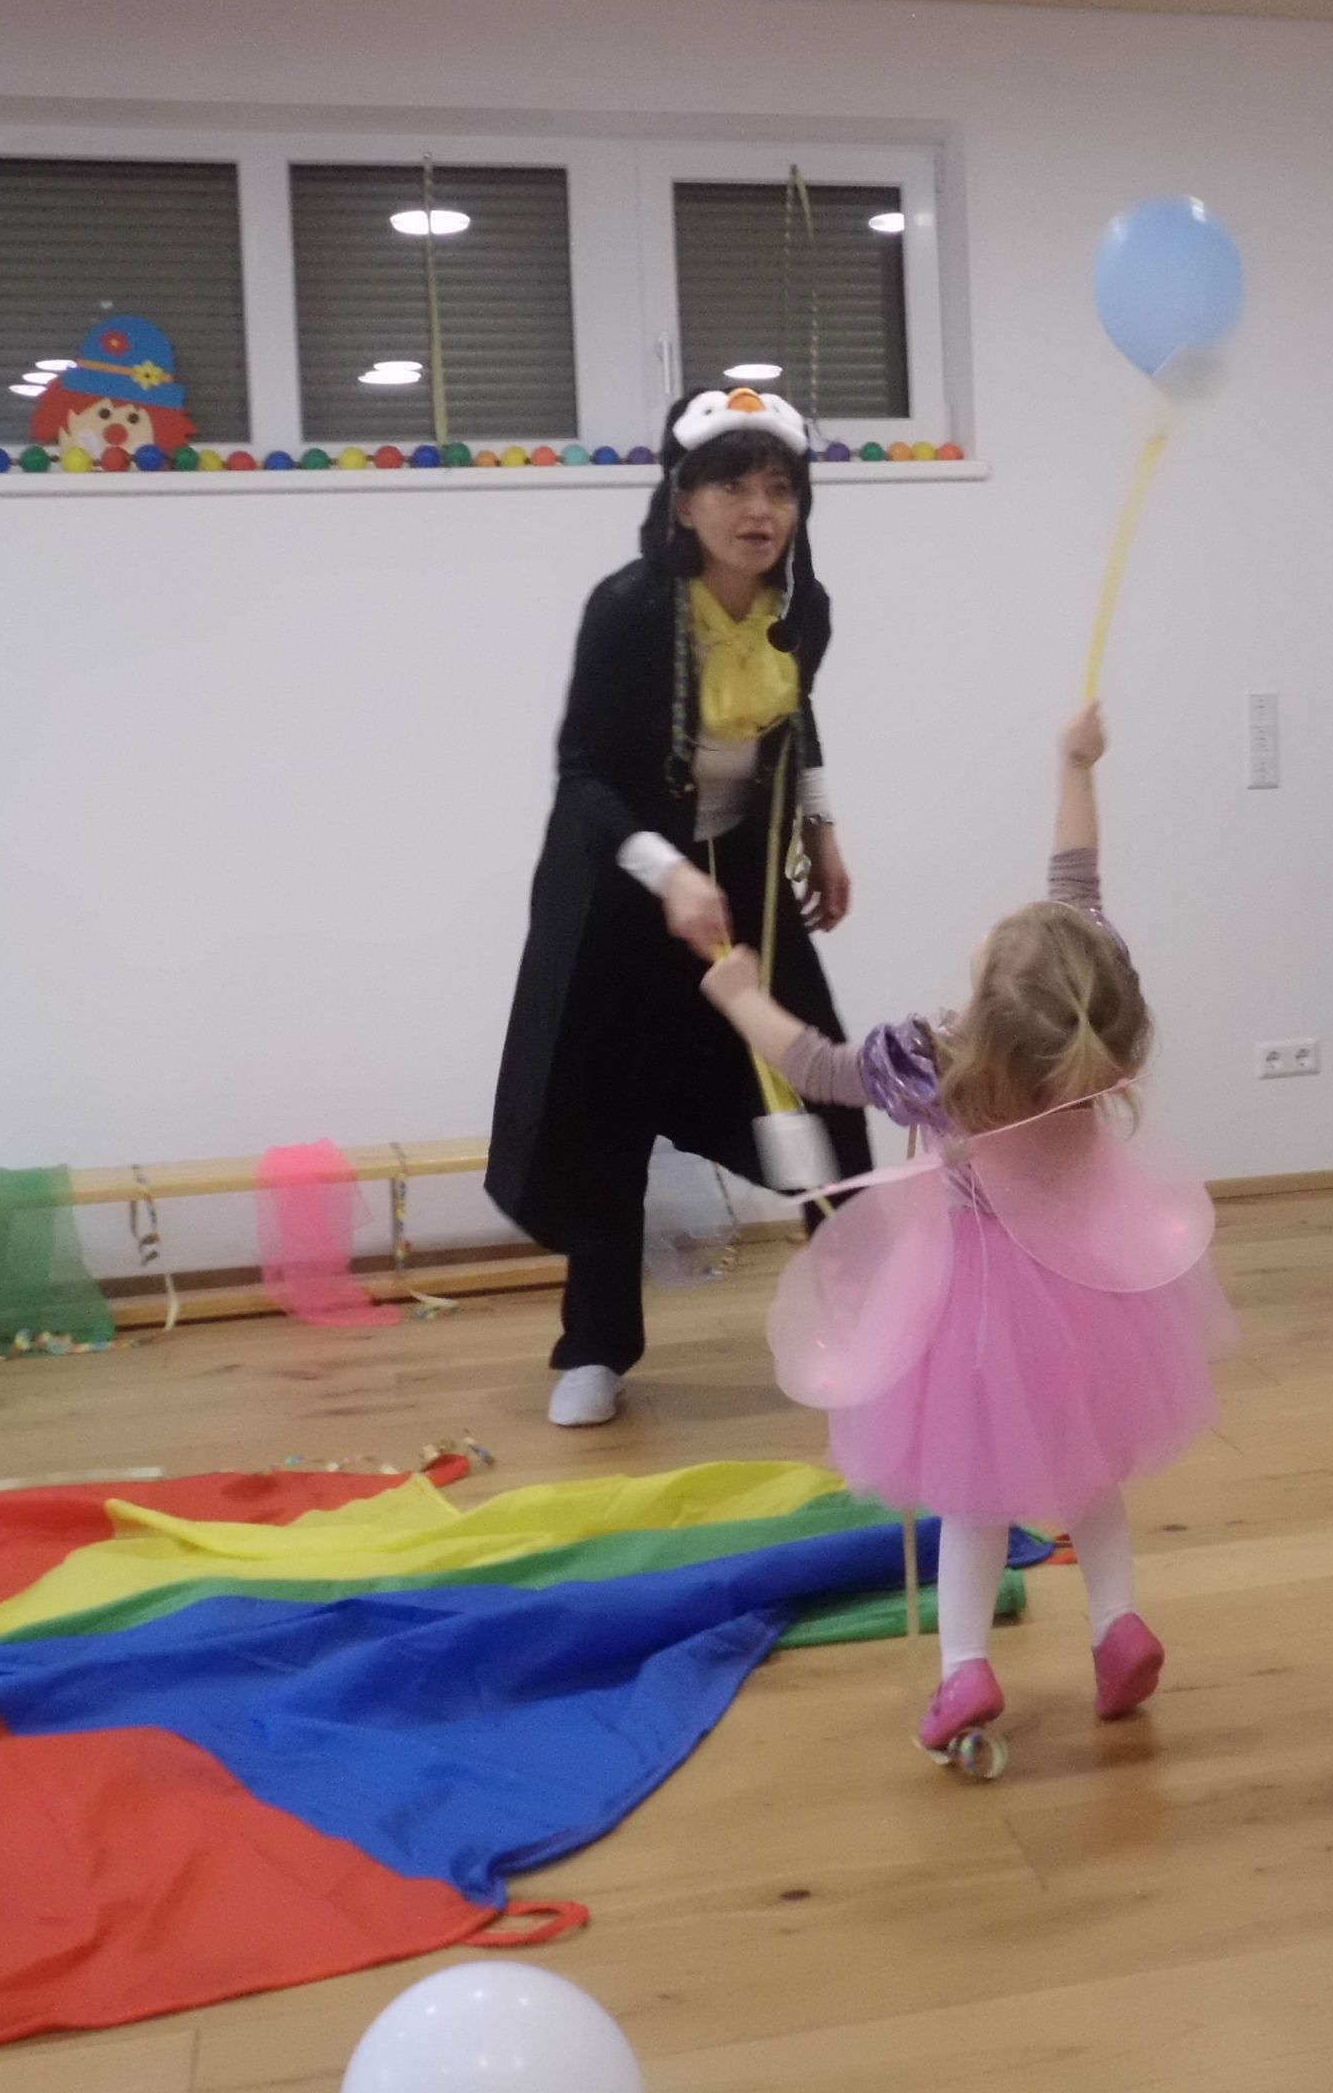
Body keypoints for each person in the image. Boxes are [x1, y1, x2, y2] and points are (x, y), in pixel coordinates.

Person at [700, 704, 1232, 1751]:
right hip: (1089, 1296)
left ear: (986, 993)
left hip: (974, 1309)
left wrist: (737, 996)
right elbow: (1077, 887)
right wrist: (1074, 765)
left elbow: (814, 1066)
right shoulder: (1095, 1030)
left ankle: (964, 1674)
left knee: (974, 1494)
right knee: (1089, 1469)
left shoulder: (933, 1060)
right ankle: (1117, 1627)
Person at [487, 387, 872, 1428]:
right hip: (623, 892)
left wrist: (821, 828)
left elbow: (795, 717)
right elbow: (580, 774)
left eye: (779, 487)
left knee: (825, 1094)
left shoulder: (803, 609)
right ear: (683, 501)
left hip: (744, 880)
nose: (760, 509)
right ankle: (595, 1349)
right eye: (732, 486)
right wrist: (666, 873)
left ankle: (865, 1325)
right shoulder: (628, 610)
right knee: (607, 1116)